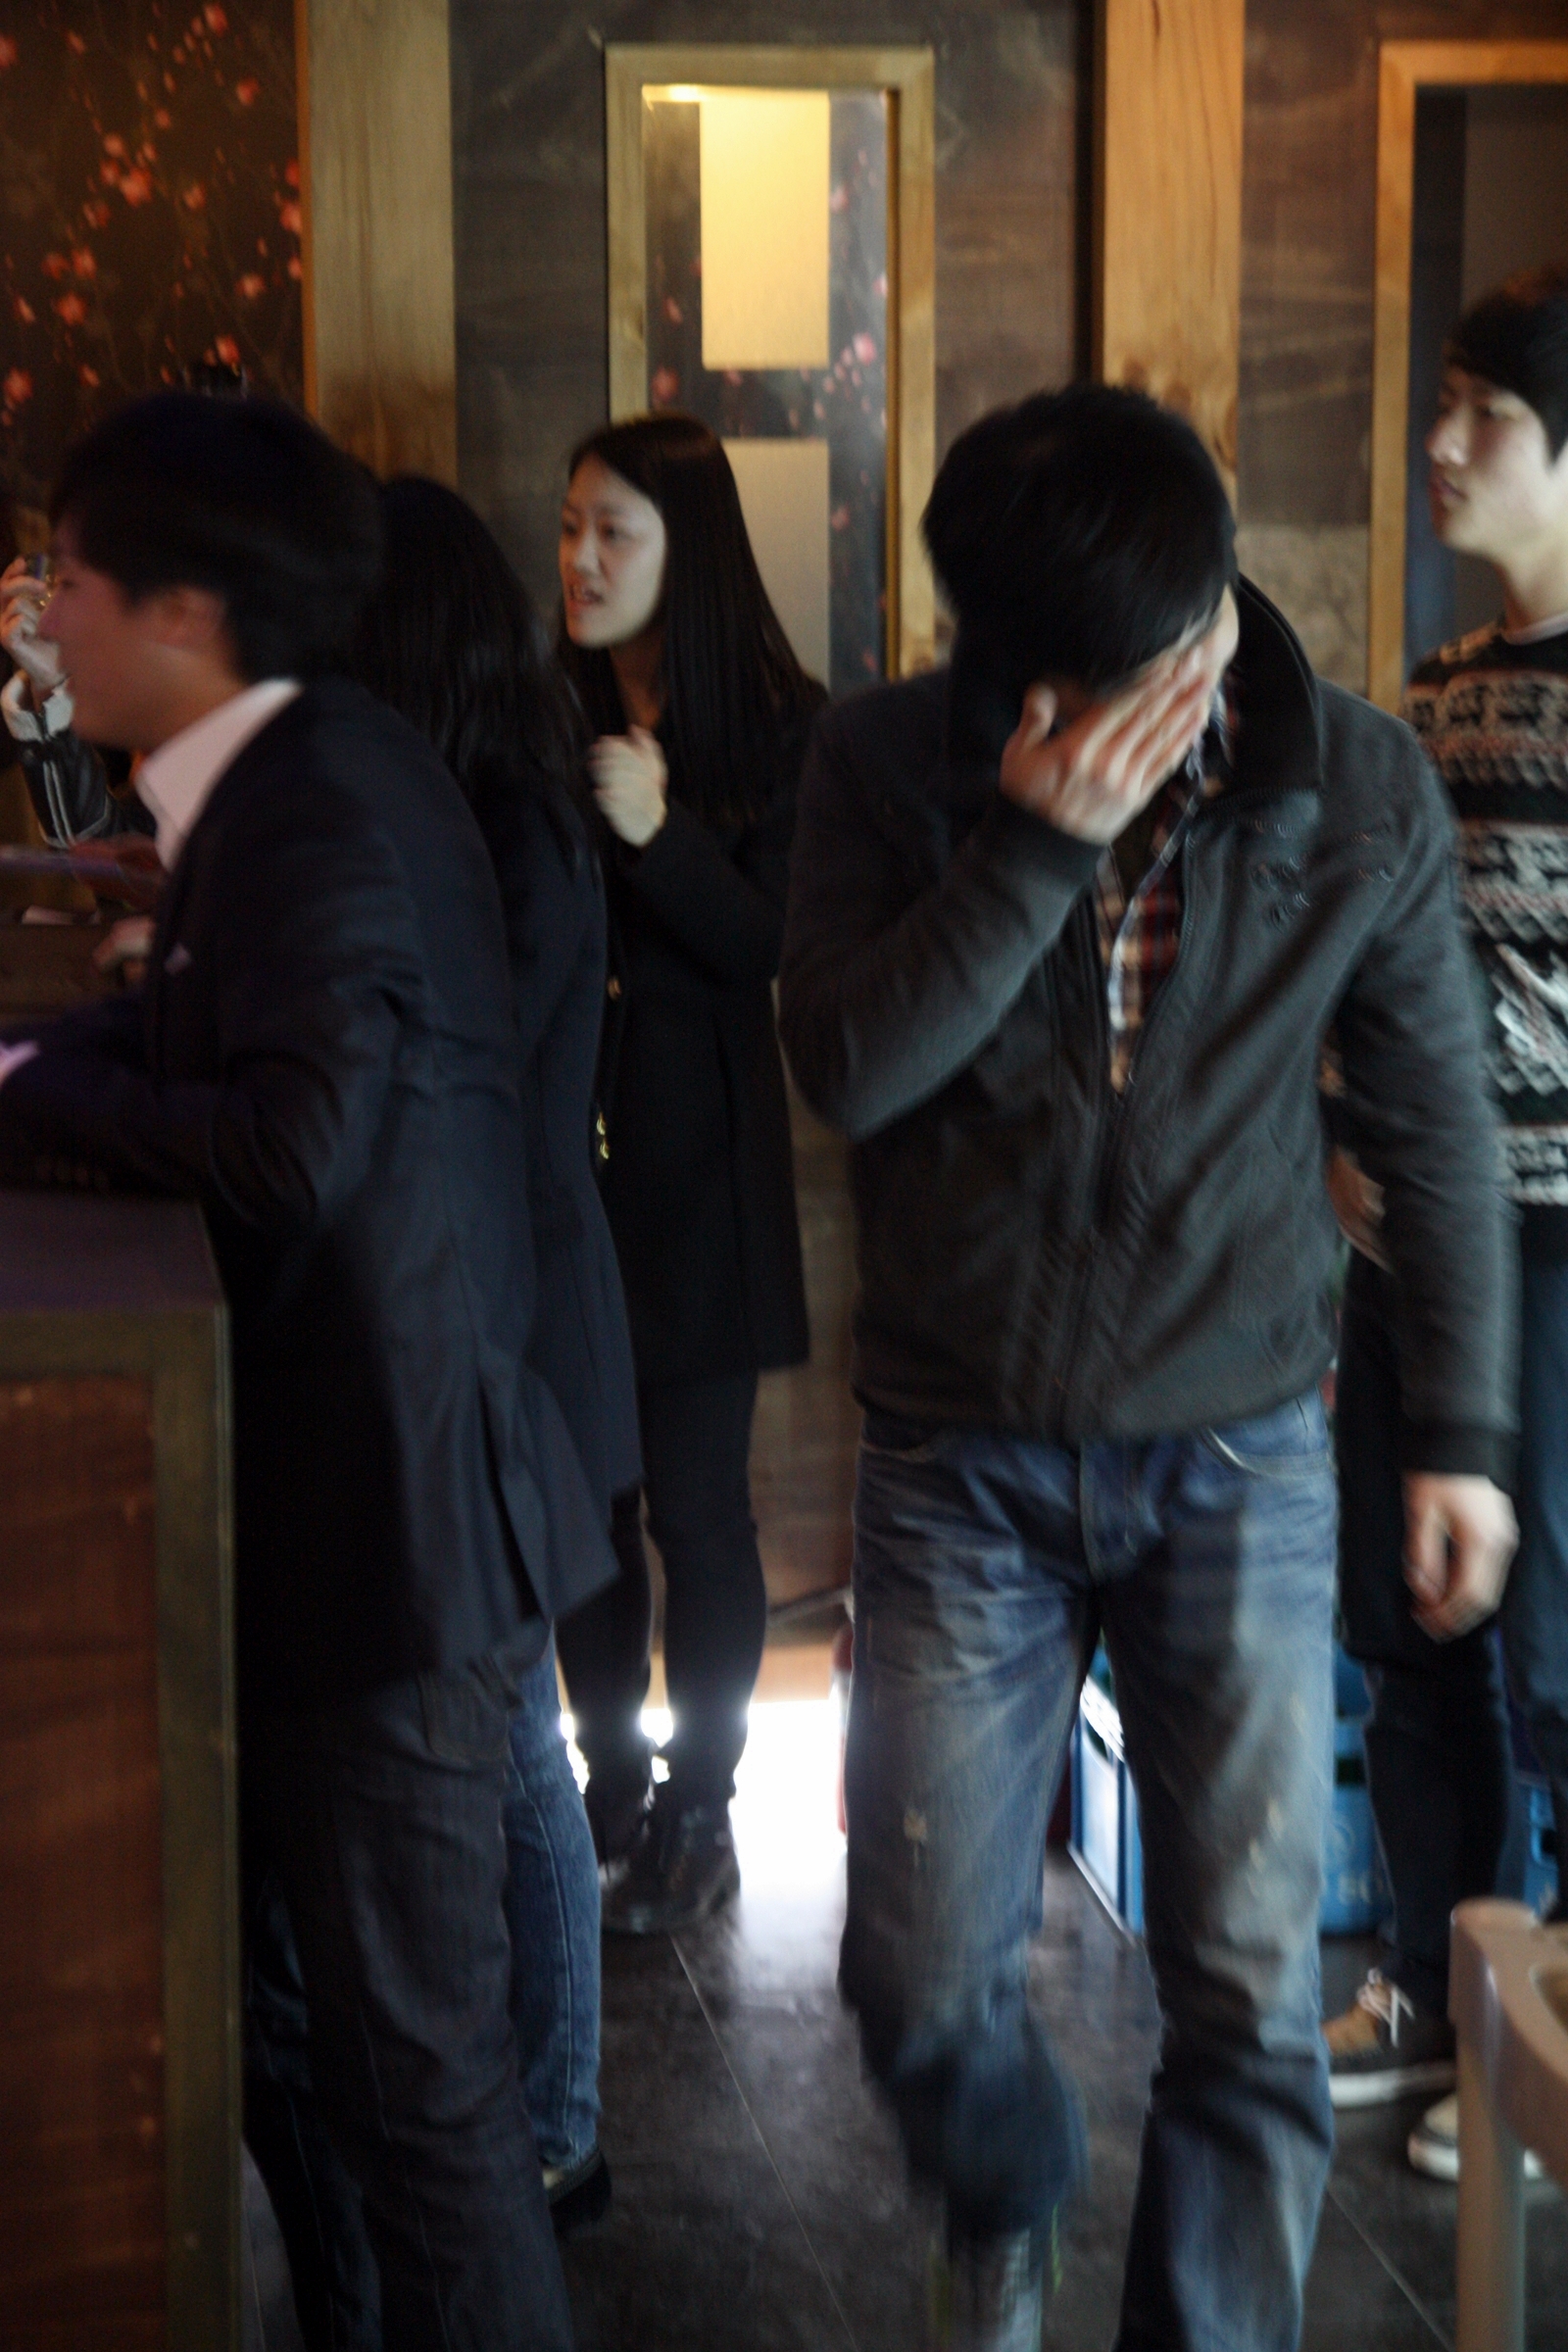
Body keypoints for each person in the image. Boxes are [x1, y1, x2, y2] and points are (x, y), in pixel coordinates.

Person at [778, 382, 1517, 2352]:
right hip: (958, 1453)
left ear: (1204, 608)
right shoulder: (886, 761)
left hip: (1240, 1448)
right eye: (1020, 675)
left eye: (1128, 672)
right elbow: (843, 1065)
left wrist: (1458, 1431)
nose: (1078, 710)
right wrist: (1029, 850)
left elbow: (1435, 1123)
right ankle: (1005, 2189)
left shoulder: (1353, 787)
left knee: (1246, 1999)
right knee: (914, 1980)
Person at [0, 391, 614, 2352]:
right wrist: (31, 1073)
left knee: (426, 2098)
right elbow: (201, 1058)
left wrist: (27, 1099)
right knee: (307, 2041)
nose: (46, 615)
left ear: (185, 608)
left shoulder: (319, 795)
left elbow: (288, 1143)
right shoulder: (276, 774)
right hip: (343, 1522)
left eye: (70, 578)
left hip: (395, 1534)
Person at [351, 472, 639, 2229]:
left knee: (525, 1737)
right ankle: (546, 2109)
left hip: (523, 1328)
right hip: (505, 1317)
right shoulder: (478, 802)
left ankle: (563, 2122)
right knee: (509, 1724)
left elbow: (466, 1086)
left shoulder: (514, 826)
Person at [1322, 264, 1568, 2183]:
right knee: (1408, 1628)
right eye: (1448, 401)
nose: (1442, 440)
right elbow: (1388, 970)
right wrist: (1340, 1137)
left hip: (1552, 1248)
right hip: (1402, 1237)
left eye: (1488, 412)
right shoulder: (1436, 688)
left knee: (1554, 1643)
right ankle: (1433, 1983)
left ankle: (1544, 2045)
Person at [552, 415, 823, 1933]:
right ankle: (605, 1787)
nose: (582, 562)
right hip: (563, 1170)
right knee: (585, 1505)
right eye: (571, 528)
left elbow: (772, 943)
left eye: (616, 533)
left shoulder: (785, 727)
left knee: (700, 1514)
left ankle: (703, 1807)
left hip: (703, 1176)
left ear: (688, 548)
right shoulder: (545, 706)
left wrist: (657, 838)